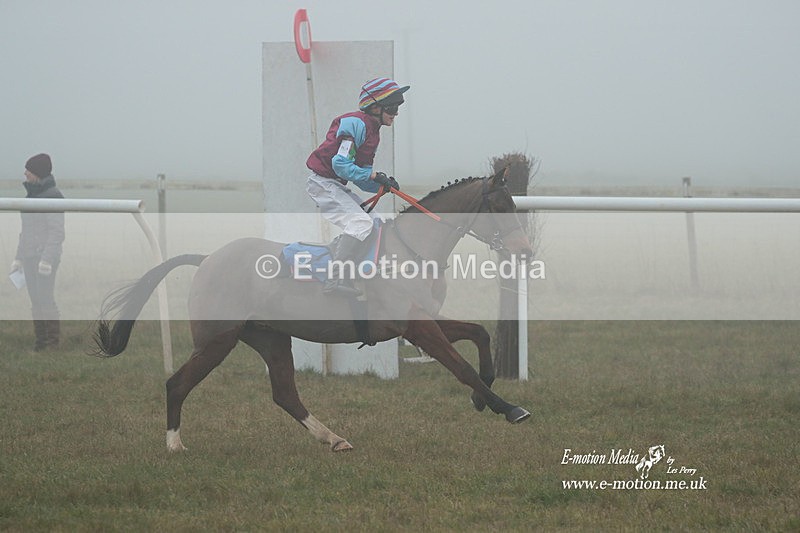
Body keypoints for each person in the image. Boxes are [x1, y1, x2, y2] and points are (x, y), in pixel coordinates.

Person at [306, 77, 408, 295]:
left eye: (398, 107)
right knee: (360, 223)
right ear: (375, 106)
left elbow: (360, 177)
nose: (396, 113)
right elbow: (340, 164)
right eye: (391, 107)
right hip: (322, 183)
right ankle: (333, 280)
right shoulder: (356, 124)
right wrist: (373, 175)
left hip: (335, 184)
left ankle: (354, 268)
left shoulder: (373, 132)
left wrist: (381, 185)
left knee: (375, 221)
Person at [9, 153, 65, 351]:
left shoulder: (53, 196)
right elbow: (26, 232)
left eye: (29, 170)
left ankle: (52, 344)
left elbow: (57, 231)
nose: (25, 173)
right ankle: (40, 343)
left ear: (38, 173)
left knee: (46, 299)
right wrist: (18, 257)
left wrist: (47, 259)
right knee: (35, 300)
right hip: (29, 256)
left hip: (44, 258)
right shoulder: (30, 197)